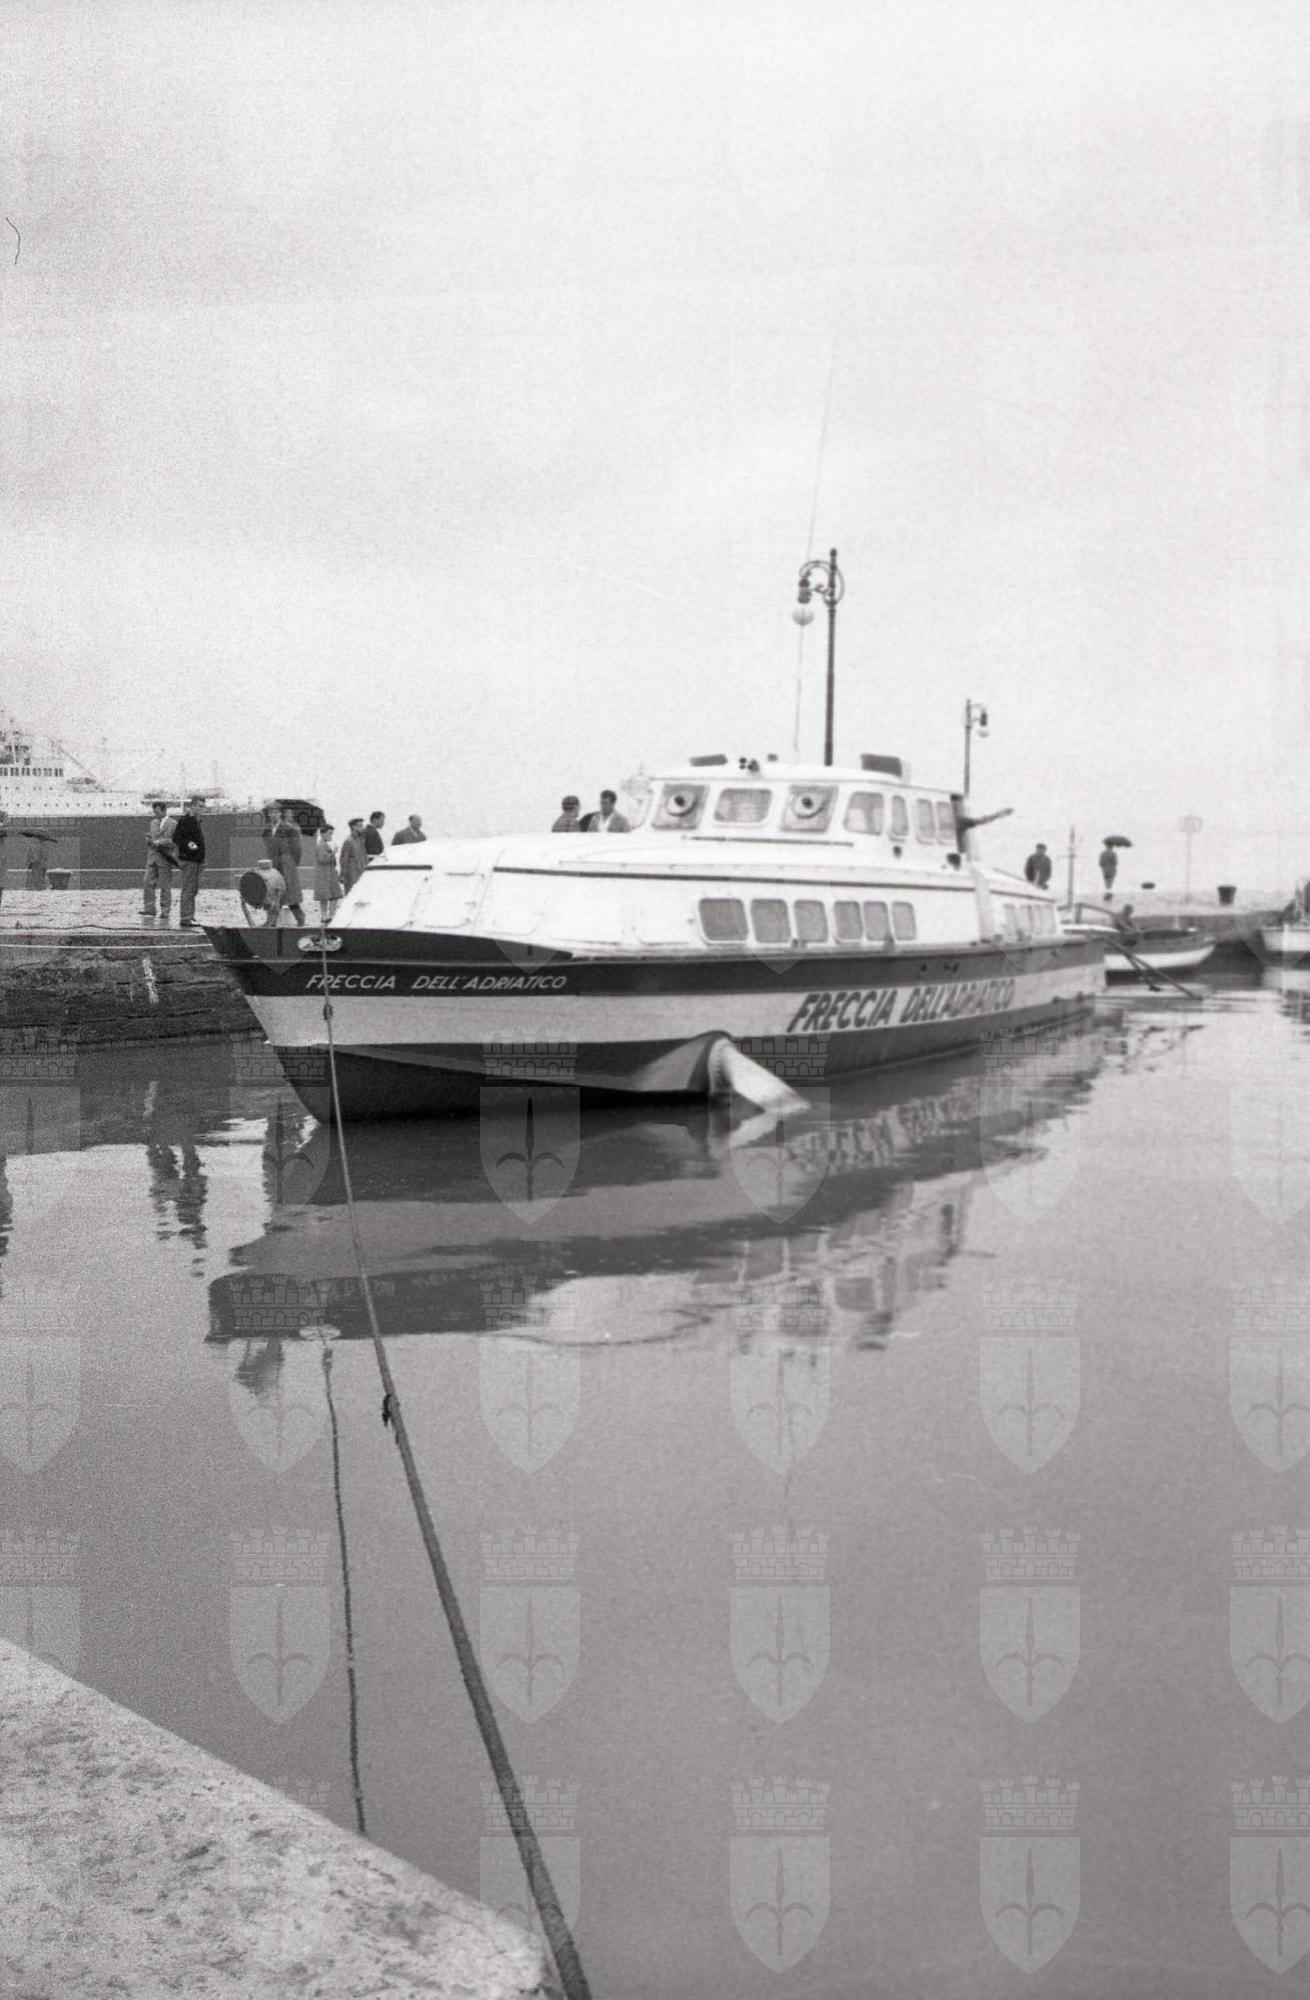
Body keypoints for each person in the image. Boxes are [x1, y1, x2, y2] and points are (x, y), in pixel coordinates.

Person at [268, 812, 306, 926]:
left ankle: (300, 918)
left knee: (289, 893)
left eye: (275, 812)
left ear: (280, 813)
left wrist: (291, 864)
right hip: (275, 864)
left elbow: (297, 849)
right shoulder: (270, 828)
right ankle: (272, 921)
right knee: (275, 892)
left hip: (286, 865)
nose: (272, 815)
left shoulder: (290, 829)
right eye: (270, 813)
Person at [141, 802, 179, 920]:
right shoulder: (153, 823)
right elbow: (151, 837)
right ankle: (149, 909)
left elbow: (176, 841)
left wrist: (160, 842)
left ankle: (165, 911)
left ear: (164, 811)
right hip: (152, 858)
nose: (155, 814)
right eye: (154, 812)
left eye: (157, 812)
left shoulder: (174, 824)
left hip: (165, 859)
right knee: (147, 882)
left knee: (165, 886)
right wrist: (149, 840)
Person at [173, 797, 206, 928]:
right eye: (199, 806)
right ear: (192, 806)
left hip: (196, 860)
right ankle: (186, 918)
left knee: (193, 889)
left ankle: (189, 916)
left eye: (203, 807)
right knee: (188, 889)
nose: (202, 809)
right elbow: (176, 838)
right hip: (190, 860)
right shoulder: (186, 820)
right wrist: (190, 845)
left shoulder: (196, 820)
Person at [314, 823, 343, 923]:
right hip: (325, 874)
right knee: (328, 896)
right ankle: (327, 916)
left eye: (331, 834)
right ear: (322, 834)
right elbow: (322, 859)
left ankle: (328, 916)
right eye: (329, 833)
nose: (331, 836)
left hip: (328, 873)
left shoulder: (323, 844)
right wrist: (333, 852)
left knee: (330, 896)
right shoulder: (321, 845)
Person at [340, 818, 369, 893]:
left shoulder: (360, 840)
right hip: (352, 874)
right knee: (351, 893)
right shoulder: (348, 841)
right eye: (360, 825)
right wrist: (342, 875)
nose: (362, 827)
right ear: (354, 827)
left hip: (361, 872)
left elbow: (364, 856)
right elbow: (344, 859)